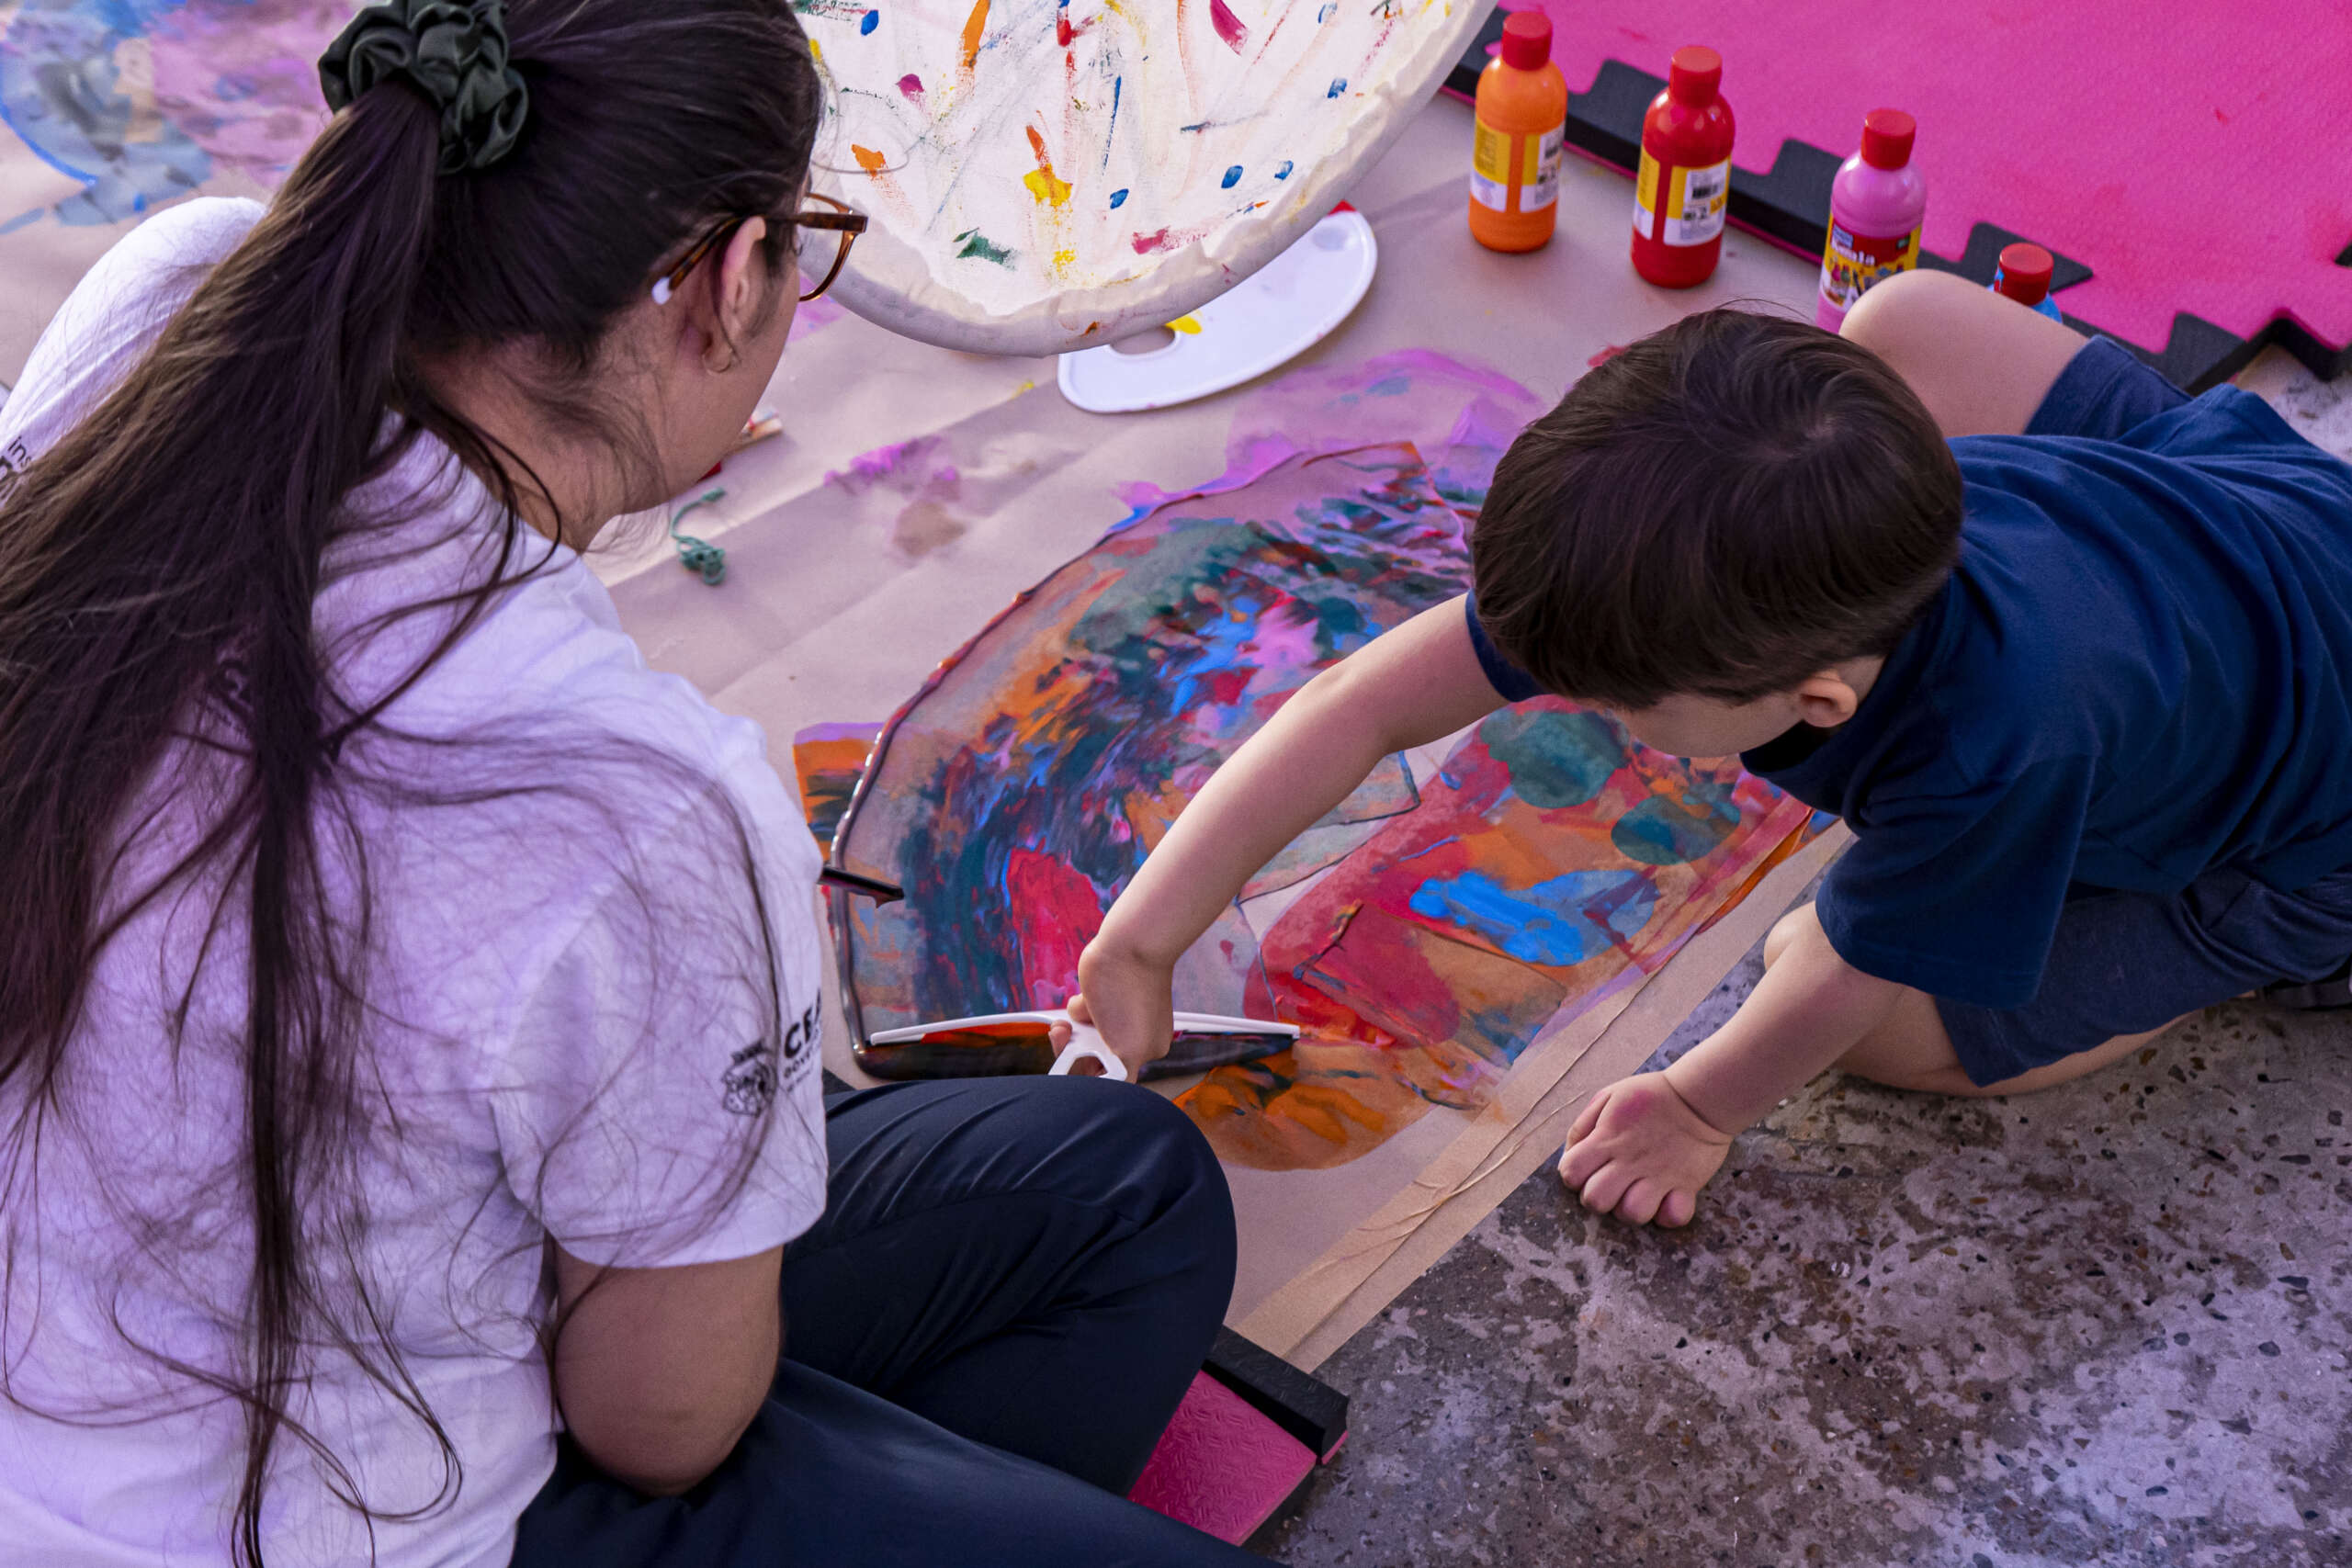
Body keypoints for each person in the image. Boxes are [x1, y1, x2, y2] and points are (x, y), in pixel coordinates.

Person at [0, 3, 1253, 1563]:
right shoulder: (645, 809)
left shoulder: (176, 300)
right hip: (293, 1520)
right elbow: (660, 1429)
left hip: (106, 1326)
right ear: (727, 282)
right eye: (809, 245)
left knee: (1125, 1189)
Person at [1069, 268, 2352, 1230]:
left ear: (1818, 700)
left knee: (1857, 1004)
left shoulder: (1999, 750)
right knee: (1901, 319)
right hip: (2260, 512)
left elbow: (1855, 965)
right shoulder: (1688, 571)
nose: (1587, 719)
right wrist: (1139, 942)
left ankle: (2263, 951)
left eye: (1629, 711)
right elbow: (1357, 703)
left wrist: (1698, 1108)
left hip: (2312, 834)